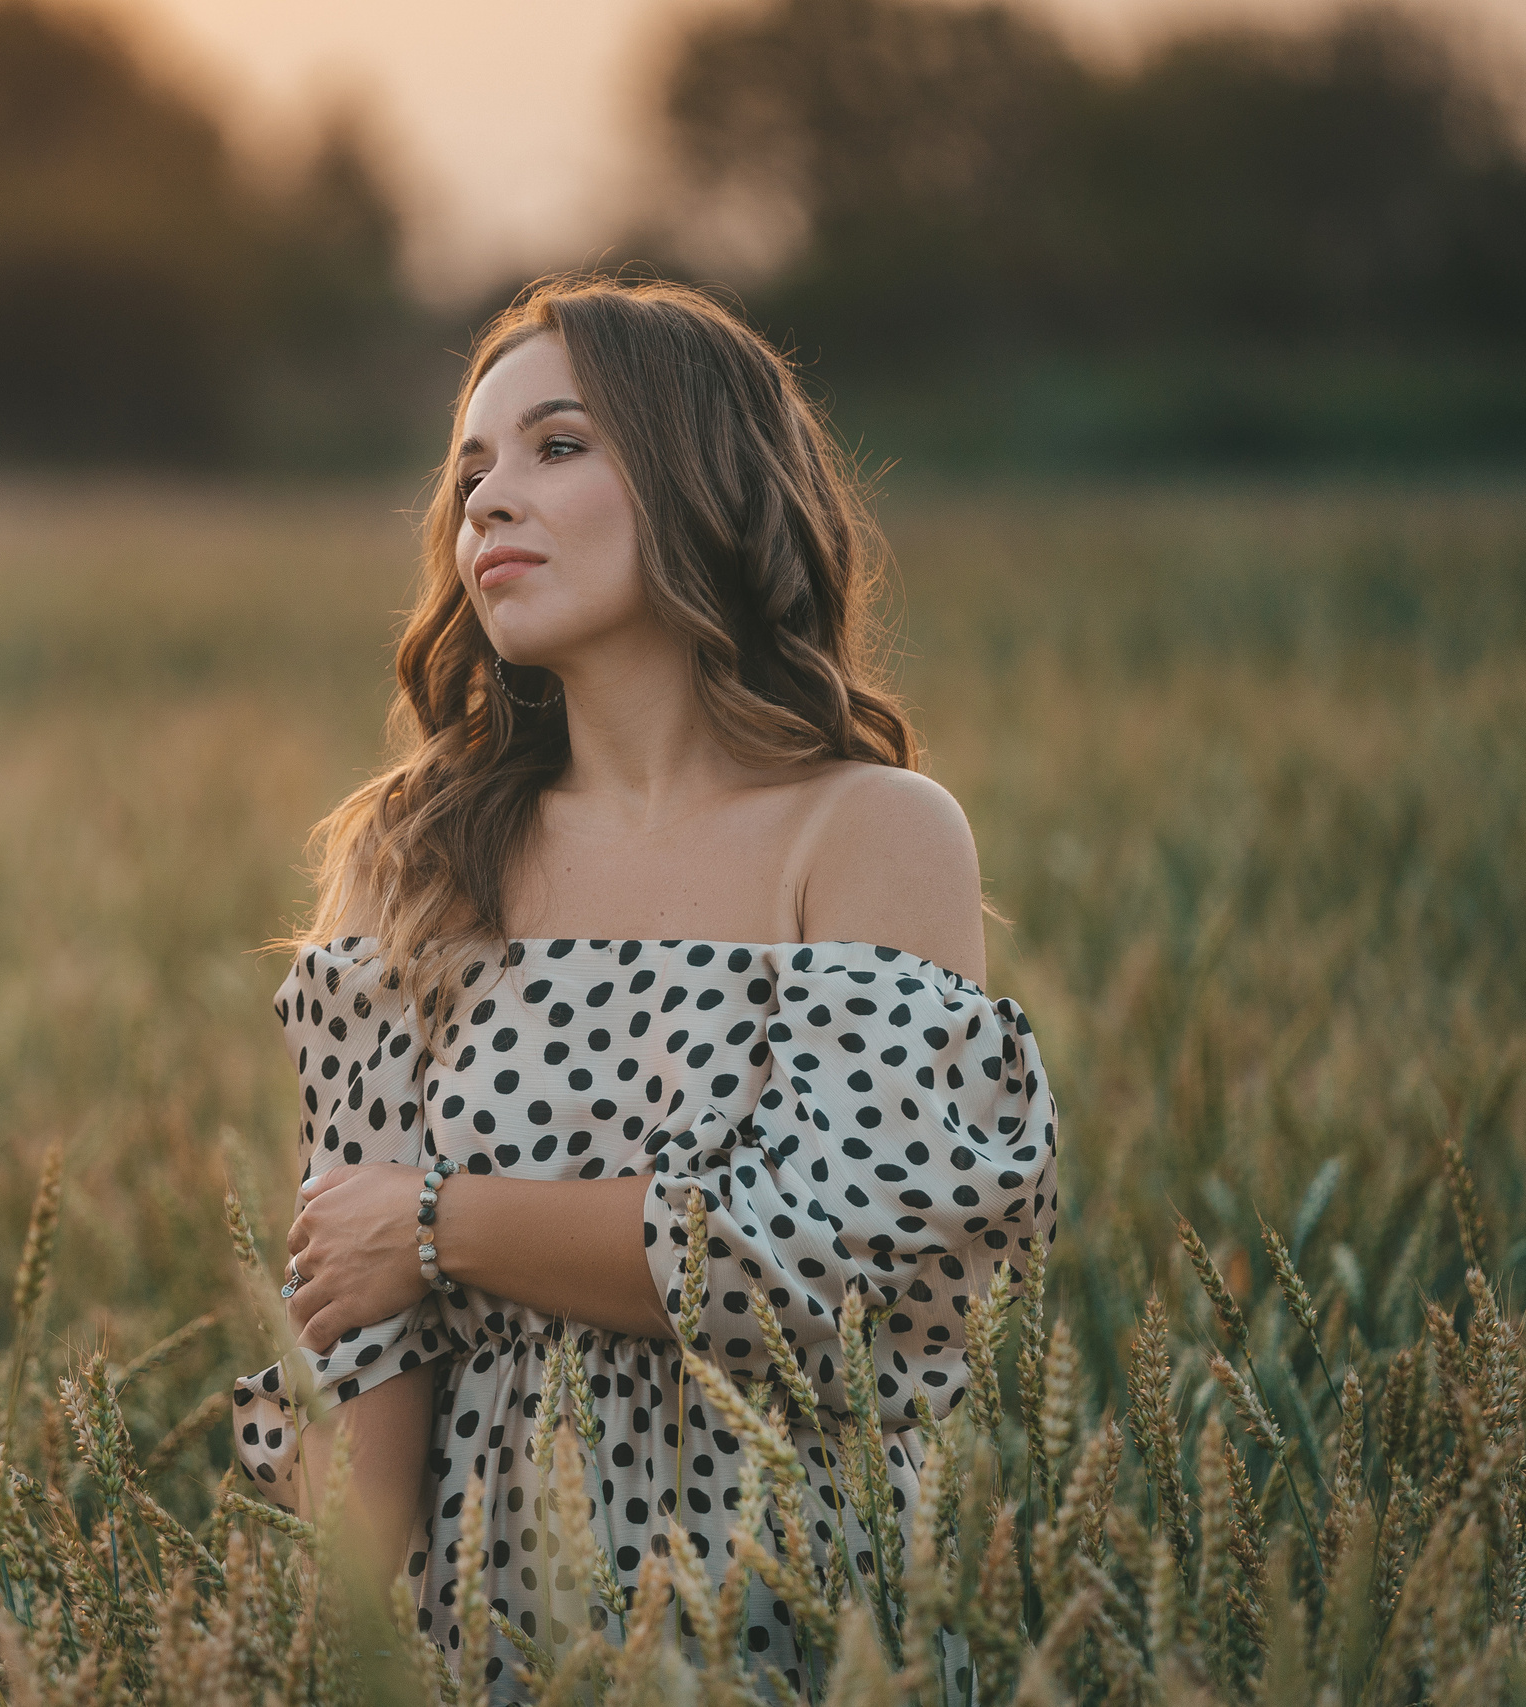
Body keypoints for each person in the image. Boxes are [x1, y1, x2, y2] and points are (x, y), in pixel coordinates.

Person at [229, 275, 1058, 1698]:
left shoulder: (867, 833)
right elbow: (363, 1342)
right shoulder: (416, 857)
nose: (488, 499)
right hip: (492, 1625)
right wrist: (335, 1655)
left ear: (704, 481)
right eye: (469, 468)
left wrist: (437, 1223)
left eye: (558, 446)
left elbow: (822, 1267)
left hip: (791, 1618)